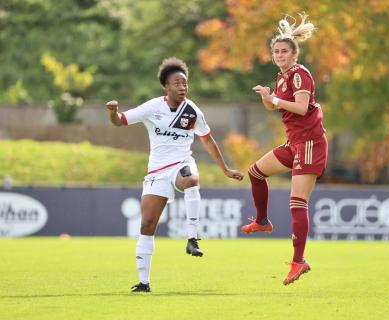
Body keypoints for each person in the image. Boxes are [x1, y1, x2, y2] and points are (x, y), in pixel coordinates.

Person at [106, 57, 244, 292]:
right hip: (157, 171)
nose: (183, 87)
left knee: (191, 179)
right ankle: (143, 282)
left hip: (181, 163)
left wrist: (225, 169)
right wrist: (113, 112)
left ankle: (192, 238)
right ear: (166, 86)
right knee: (148, 225)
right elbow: (120, 122)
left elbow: (208, 141)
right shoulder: (152, 107)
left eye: (185, 83)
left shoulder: (192, 111)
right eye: (177, 83)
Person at [241, 13, 328, 286]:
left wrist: (275, 99)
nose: (279, 55)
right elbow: (276, 106)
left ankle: (299, 261)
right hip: (294, 144)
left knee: (297, 203)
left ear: (294, 54)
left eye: (284, 51)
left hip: (310, 144)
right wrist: (268, 99)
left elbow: (301, 108)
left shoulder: (300, 74)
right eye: (275, 51)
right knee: (255, 172)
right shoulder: (281, 78)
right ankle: (263, 220)